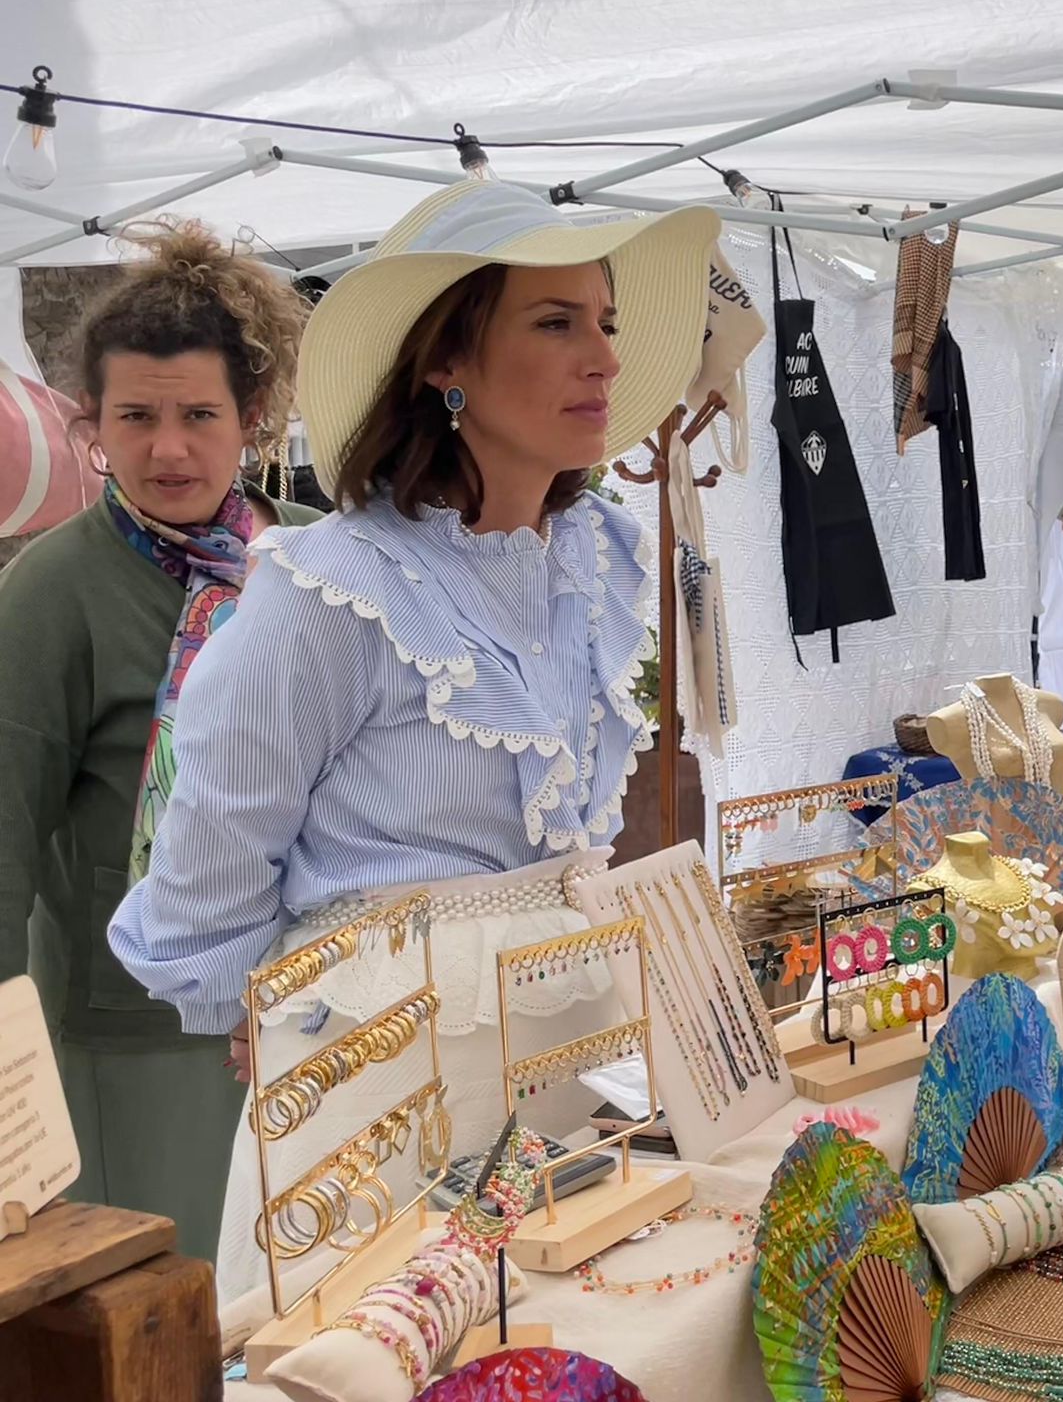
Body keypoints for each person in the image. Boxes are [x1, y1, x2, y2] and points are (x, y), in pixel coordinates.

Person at [109, 179, 730, 1302]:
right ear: (447, 361)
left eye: (606, 323)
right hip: (384, 1104)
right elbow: (200, 888)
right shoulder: (328, 591)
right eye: (554, 323)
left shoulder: (594, 555)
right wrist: (283, 1013)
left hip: (568, 1072)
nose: (600, 357)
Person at [0, 223, 319, 1259]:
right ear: (93, 425)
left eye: (198, 415)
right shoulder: (54, 590)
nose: (168, 448)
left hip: (306, 1009)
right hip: (133, 1034)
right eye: (135, 417)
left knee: (283, 1301)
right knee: (160, 1310)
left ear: (253, 418)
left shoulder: (307, 565)